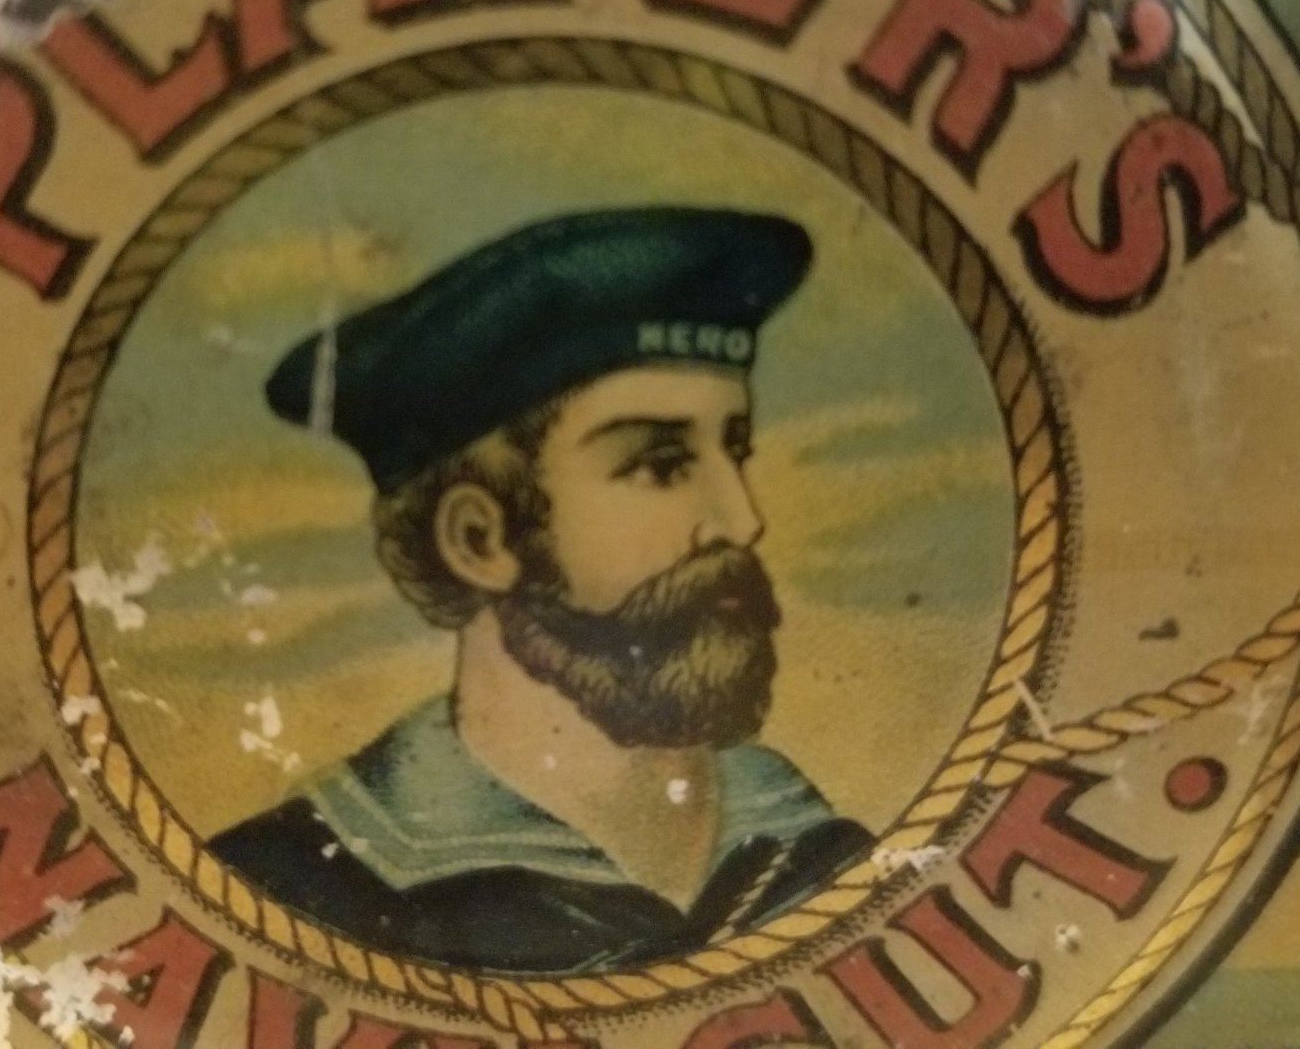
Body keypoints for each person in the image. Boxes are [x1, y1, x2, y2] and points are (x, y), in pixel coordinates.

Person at [207, 206, 872, 973]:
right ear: (479, 541)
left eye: (737, 450)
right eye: (661, 466)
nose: (742, 521)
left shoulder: (825, 857)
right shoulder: (296, 894)